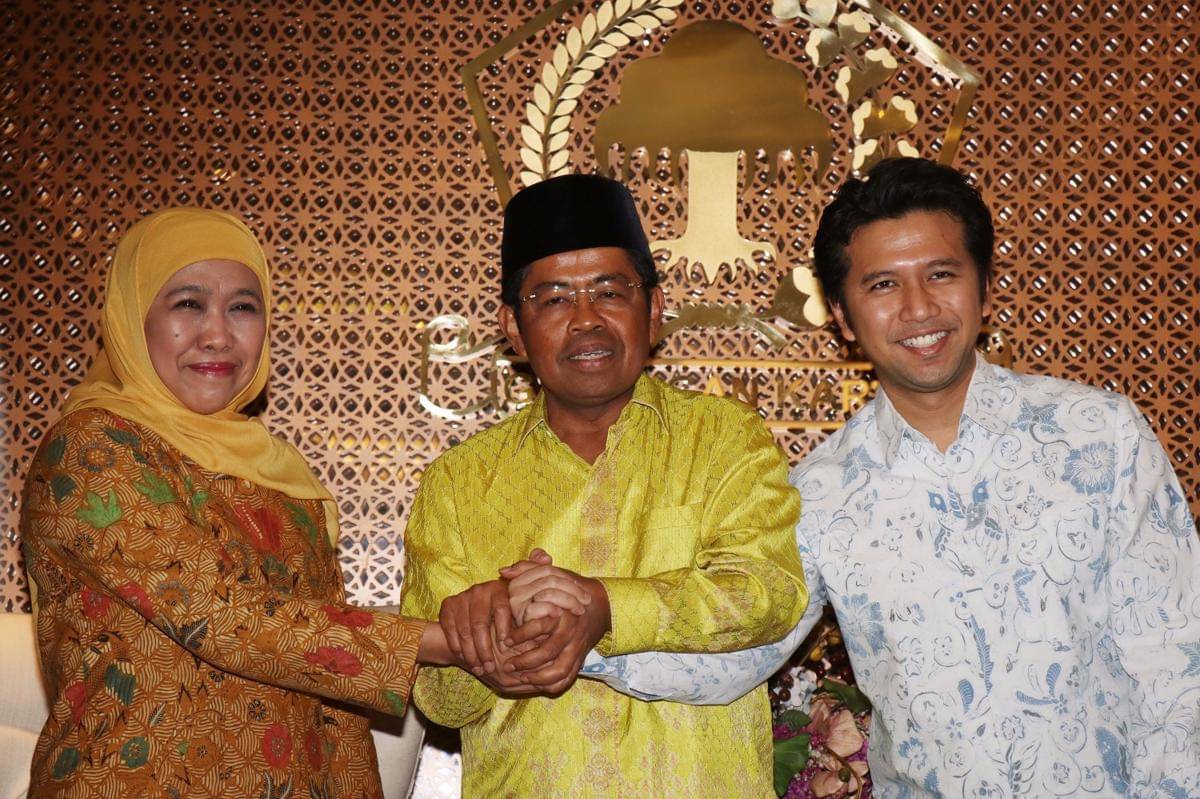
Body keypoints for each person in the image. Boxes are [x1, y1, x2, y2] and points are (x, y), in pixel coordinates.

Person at [583, 157, 1200, 797]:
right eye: (882, 285)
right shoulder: (819, 492)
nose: (919, 308)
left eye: (941, 274)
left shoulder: (1099, 434)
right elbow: (741, 653)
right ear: (844, 317)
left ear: (985, 289)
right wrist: (581, 639)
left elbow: (1176, 659)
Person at [20, 208, 461, 798]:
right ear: (133, 317)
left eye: (243, 307)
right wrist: (440, 640)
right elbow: (222, 616)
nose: (217, 335)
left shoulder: (280, 478)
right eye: (188, 304)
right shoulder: (93, 447)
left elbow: (330, 703)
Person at [398, 173, 809, 797]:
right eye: (554, 299)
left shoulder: (725, 438)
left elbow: (768, 592)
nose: (586, 320)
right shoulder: (457, 482)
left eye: (610, 292)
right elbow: (441, 703)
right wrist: (478, 639)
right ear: (513, 328)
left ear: (655, 309)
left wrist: (607, 607)